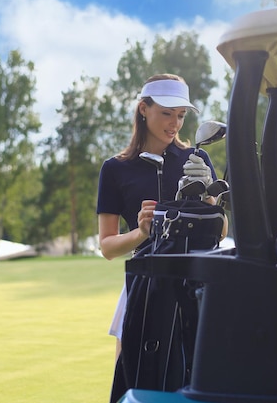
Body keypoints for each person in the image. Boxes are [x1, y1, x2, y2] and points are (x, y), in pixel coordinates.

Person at [96, 73, 225, 362]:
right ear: (143, 109)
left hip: (195, 284)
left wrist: (208, 202)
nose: (175, 124)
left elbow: (221, 232)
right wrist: (141, 232)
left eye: (180, 115)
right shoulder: (115, 169)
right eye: (166, 113)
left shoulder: (197, 160)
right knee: (131, 377)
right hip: (145, 285)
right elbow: (107, 247)